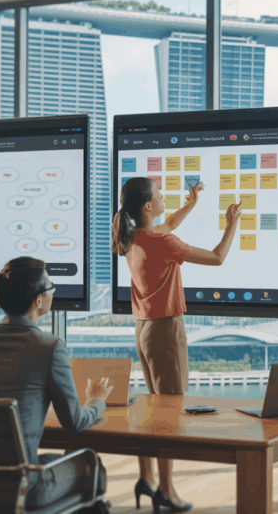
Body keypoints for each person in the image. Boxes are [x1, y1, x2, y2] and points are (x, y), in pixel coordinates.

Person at [112, 177, 242, 513]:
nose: (163, 197)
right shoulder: (161, 241)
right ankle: (166, 490)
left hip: (144, 329)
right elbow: (217, 257)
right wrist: (232, 224)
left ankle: (147, 477)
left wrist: (192, 204)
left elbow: (168, 224)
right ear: (147, 206)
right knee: (168, 415)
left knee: (156, 409)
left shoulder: (135, 236)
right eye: (159, 194)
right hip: (165, 331)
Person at [0, 257, 115, 511]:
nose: (53, 292)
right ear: (38, 300)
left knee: (53, 459)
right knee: (92, 465)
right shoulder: (49, 346)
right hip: (24, 488)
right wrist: (96, 399)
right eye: (51, 288)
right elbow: (74, 423)